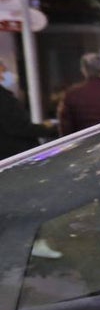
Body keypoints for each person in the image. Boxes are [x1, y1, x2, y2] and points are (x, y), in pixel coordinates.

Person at [0, 60, 64, 258]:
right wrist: (46, 128)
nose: (8, 73)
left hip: (7, 160)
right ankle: (32, 243)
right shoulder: (3, 98)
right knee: (29, 201)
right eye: (3, 70)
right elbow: (18, 128)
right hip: (15, 159)